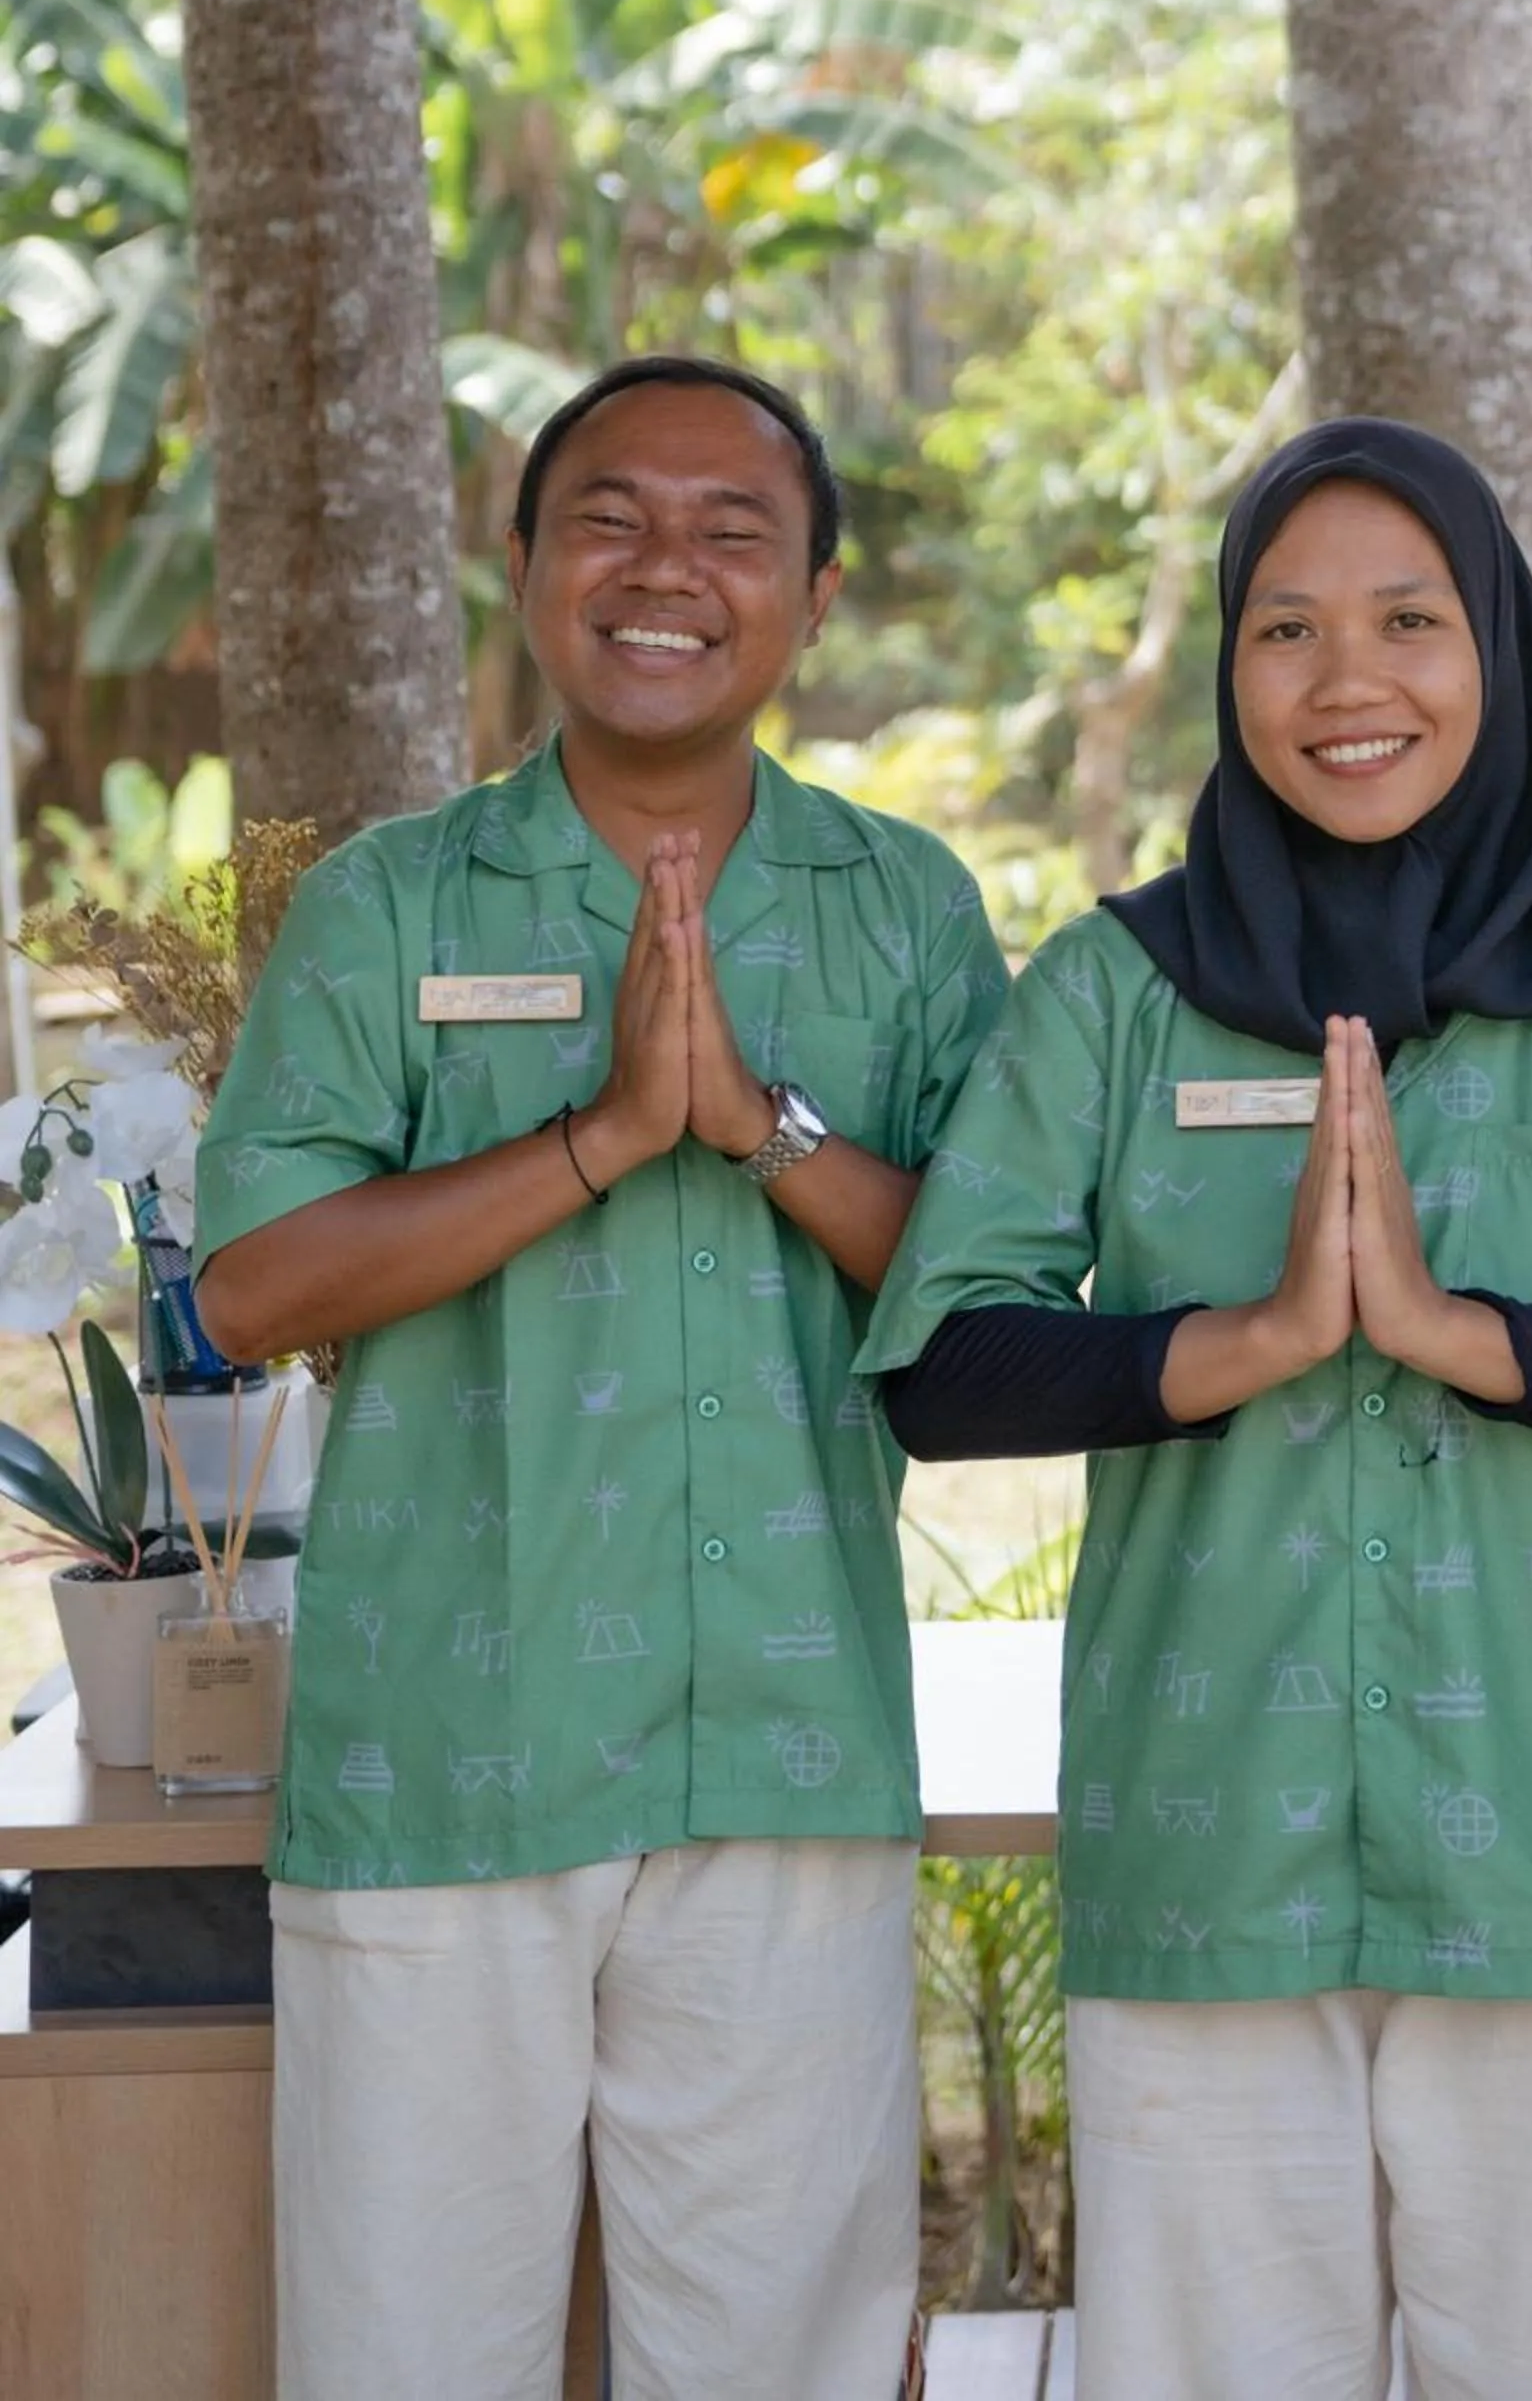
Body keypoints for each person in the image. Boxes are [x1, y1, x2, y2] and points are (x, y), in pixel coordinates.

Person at [865, 418, 1532, 2401]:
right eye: (1288, 630)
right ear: (1230, 677)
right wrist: (1239, 1344)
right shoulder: (1116, 990)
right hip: (1206, 1835)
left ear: (1498, 649)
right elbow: (941, 1364)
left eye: (1411, 619)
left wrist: (1444, 1325)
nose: (1349, 682)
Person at [194, 356, 1008, 2401]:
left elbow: (995, 1303)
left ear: (818, 598)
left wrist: (759, 1129)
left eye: (736, 531)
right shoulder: (390, 903)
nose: (670, 570)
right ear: (528, 569)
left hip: (787, 1755)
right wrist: (597, 1141)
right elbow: (261, 1279)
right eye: (612, 520)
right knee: (403, 2356)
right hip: (445, 1746)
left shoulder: (904, 909)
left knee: (781, 2363)